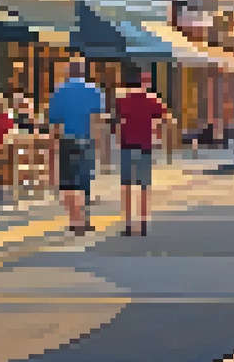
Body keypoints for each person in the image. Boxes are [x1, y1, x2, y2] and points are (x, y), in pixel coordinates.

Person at [48, 60, 105, 235]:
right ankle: (84, 220)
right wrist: (100, 146)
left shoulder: (59, 92)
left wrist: (53, 147)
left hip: (66, 140)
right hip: (86, 140)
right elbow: (97, 121)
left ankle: (73, 221)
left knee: (68, 182)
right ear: (83, 72)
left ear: (68, 73)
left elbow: (55, 124)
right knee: (83, 182)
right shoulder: (94, 91)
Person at [115, 69, 166, 237]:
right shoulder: (153, 100)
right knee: (144, 186)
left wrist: (118, 140)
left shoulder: (123, 100)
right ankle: (143, 222)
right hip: (145, 146)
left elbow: (118, 122)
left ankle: (128, 223)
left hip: (127, 146)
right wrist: (157, 135)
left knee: (127, 186)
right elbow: (163, 119)